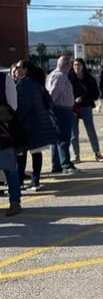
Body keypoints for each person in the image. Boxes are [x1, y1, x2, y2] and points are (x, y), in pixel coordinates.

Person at [15, 60, 57, 191]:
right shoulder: (37, 83)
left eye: (18, 67)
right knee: (36, 152)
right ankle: (35, 180)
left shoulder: (23, 84)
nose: (16, 69)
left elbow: (22, 106)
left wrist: (16, 121)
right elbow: (48, 101)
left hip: (27, 124)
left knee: (21, 154)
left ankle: (20, 181)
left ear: (25, 69)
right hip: (40, 123)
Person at [46, 55, 78, 174]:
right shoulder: (59, 76)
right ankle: (65, 164)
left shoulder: (54, 75)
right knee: (63, 138)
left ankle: (57, 164)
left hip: (61, 109)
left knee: (57, 138)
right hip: (61, 109)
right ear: (67, 65)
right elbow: (54, 93)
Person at [69, 58, 103, 163]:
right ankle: (76, 155)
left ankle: (97, 153)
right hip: (73, 107)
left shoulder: (89, 79)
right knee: (74, 133)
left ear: (83, 66)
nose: (77, 67)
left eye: (79, 65)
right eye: (75, 65)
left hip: (86, 106)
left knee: (91, 131)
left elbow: (95, 94)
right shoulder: (69, 78)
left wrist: (83, 98)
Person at [0, 68, 22, 216]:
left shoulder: (5, 79)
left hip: (3, 130)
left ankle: (15, 201)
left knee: (9, 167)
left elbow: (13, 106)